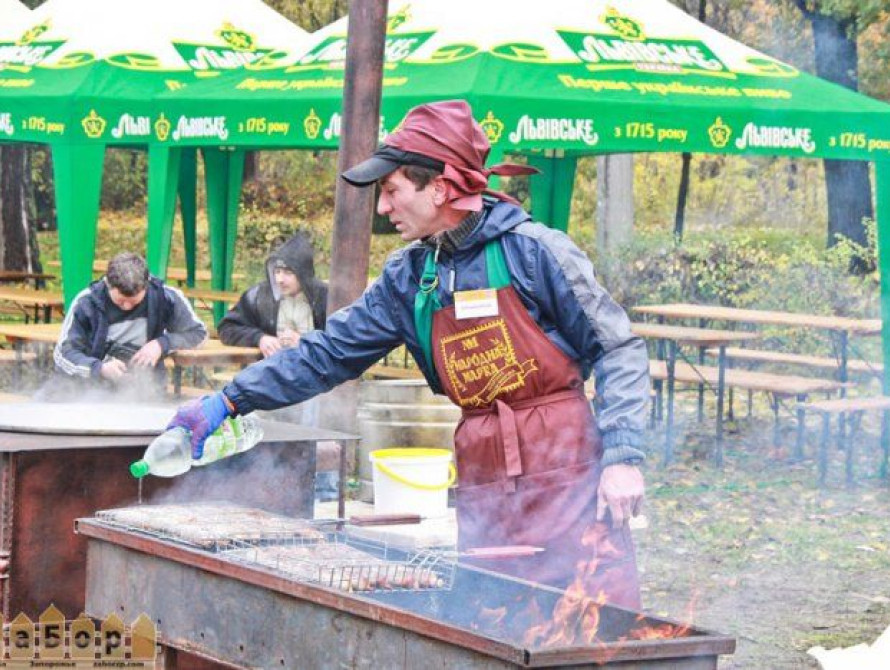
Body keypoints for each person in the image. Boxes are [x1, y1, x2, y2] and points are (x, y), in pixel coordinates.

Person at [169, 100, 649, 608]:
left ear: (440, 186)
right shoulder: (408, 279)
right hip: (484, 475)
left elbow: (618, 348)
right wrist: (230, 401)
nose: (382, 208)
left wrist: (623, 458)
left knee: (590, 623)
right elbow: (326, 353)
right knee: (497, 621)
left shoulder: (534, 252)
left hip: (569, 475)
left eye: (392, 190)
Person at [51, 252, 207, 397]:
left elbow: (198, 334)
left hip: (147, 393)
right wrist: (99, 368)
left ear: (146, 285)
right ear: (107, 284)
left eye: (133, 302)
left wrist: (161, 344)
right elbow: (63, 355)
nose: (126, 306)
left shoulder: (165, 297)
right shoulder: (86, 303)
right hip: (89, 394)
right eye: (120, 301)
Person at [217, 231, 328, 358]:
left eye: (288, 272)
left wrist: (306, 341)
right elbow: (227, 328)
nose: (280, 279)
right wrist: (259, 338)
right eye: (277, 271)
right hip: (268, 371)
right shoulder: (257, 296)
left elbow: (341, 340)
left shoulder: (325, 297)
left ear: (303, 273)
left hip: (316, 372)